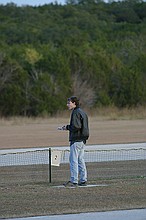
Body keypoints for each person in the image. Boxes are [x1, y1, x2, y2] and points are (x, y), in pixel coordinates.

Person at [58, 96, 89, 187]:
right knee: (80, 160)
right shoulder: (82, 112)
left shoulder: (75, 113)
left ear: (74, 103)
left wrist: (66, 127)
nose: (67, 105)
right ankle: (83, 179)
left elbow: (76, 126)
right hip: (82, 140)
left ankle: (74, 180)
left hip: (76, 139)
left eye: (69, 103)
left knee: (73, 160)